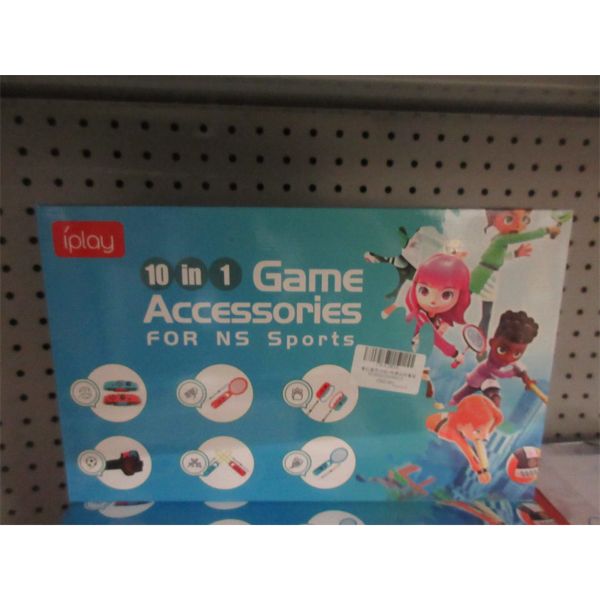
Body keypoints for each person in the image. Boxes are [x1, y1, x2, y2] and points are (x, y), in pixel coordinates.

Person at [450, 310, 539, 407]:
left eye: (517, 354)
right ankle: (449, 408)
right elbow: (499, 373)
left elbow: (520, 368)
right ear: (492, 342)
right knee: (459, 396)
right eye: (502, 350)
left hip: (489, 379)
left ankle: (494, 414)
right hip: (478, 376)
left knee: (495, 398)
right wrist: (514, 373)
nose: (508, 359)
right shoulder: (491, 364)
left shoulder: (510, 362)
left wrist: (526, 379)